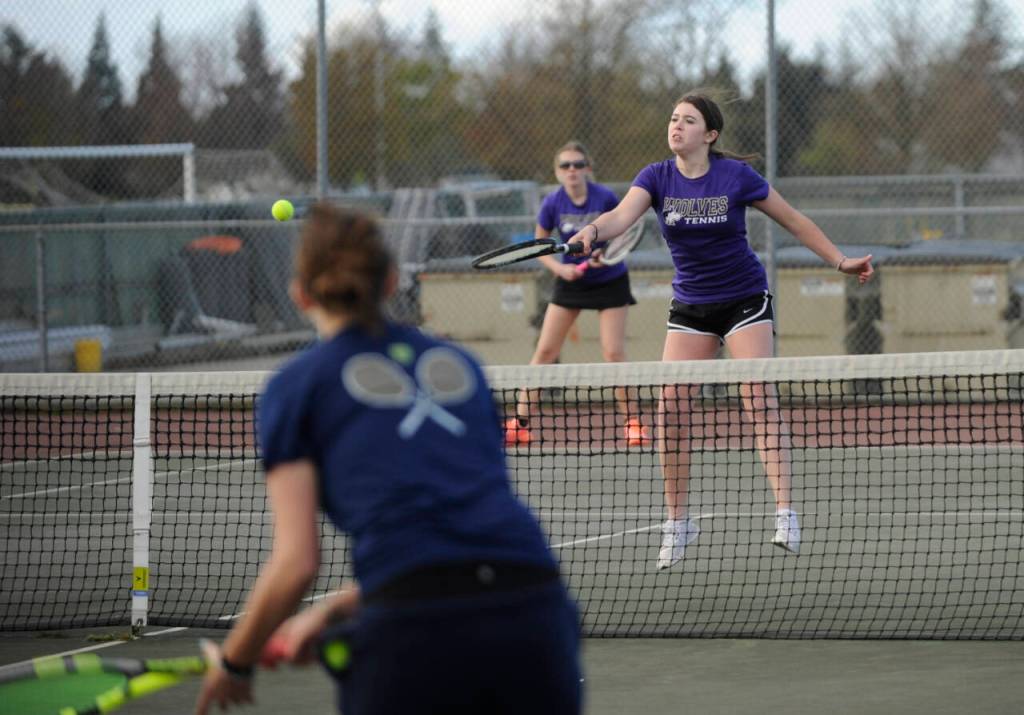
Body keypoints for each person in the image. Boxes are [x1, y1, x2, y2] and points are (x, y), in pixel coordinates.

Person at [195, 204, 581, 715]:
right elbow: (459, 535)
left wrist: (235, 662)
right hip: (535, 607)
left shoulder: (293, 388)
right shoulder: (462, 366)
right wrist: (341, 606)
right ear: (393, 280)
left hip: (413, 629)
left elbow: (297, 564)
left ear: (300, 294)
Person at [567, 90, 874, 570]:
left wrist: (839, 260)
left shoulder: (736, 177)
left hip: (745, 299)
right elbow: (619, 216)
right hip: (691, 306)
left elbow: (793, 220)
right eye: (673, 119)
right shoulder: (656, 177)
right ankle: (677, 522)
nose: (676, 126)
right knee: (670, 410)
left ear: (709, 135)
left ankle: (785, 512)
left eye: (688, 121)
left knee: (758, 396)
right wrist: (592, 231)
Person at [506, 141, 649, 448]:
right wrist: (560, 270)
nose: (572, 170)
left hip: (611, 280)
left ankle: (633, 423)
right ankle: (519, 424)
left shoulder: (605, 197)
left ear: (588, 168)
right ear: (558, 173)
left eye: (578, 164)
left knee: (613, 352)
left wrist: (606, 253)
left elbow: (624, 229)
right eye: (565, 165)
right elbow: (540, 244)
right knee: (545, 352)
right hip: (571, 282)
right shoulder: (552, 203)